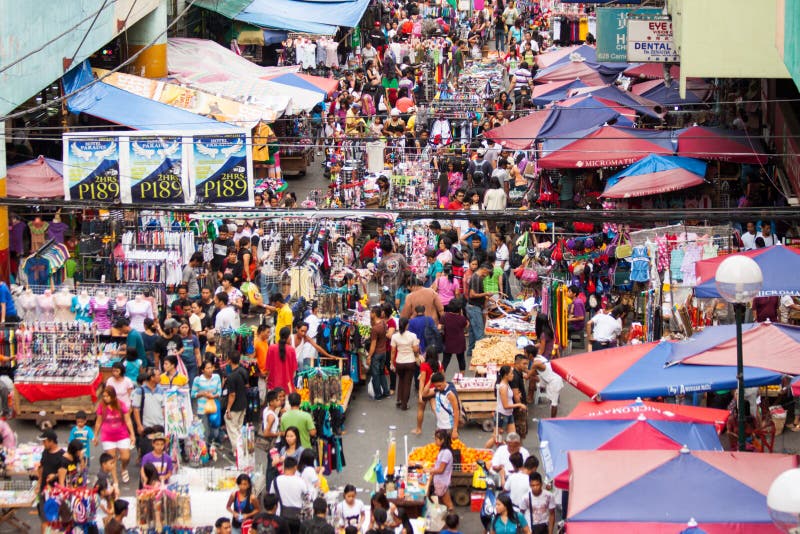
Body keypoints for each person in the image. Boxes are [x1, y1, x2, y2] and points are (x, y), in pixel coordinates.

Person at [93, 387, 135, 486]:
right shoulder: (101, 407)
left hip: (122, 435)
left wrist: (132, 434)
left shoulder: (121, 405)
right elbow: (98, 422)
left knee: (125, 457)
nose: (106, 398)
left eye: (108, 396)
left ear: (113, 396)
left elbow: (128, 421)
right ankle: (115, 479)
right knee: (112, 459)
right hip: (108, 437)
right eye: (104, 396)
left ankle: (124, 468)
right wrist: (95, 436)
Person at [131, 367, 165, 456]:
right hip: (146, 426)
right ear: (152, 378)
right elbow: (136, 409)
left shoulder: (161, 390)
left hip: (159, 426)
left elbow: (163, 408)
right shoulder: (140, 391)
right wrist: (139, 425)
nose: (160, 377)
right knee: (147, 452)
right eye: (158, 375)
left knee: (159, 452)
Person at [271, 456, 307, 534]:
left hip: (280, 516)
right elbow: (307, 498)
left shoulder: (276, 480)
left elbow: (271, 497)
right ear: (295, 467)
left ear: (284, 466)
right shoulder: (301, 481)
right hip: (297, 517)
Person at [391, 317, 420, 411]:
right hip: (410, 361)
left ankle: (399, 399)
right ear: (407, 325)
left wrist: (392, 363)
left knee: (401, 381)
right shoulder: (413, 336)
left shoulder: (395, 336)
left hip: (399, 361)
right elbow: (415, 350)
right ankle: (404, 404)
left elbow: (393, 351)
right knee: (407, 383)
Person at [492, 365, 525, 447]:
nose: (513, 375)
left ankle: (510, 452)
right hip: (502, 415)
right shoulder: (503, 387)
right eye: (511, 373)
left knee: (513, 438)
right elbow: (505, 405)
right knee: (495, 439)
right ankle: (485, 451)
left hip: (509, 414)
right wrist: (519, 404)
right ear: (506, 375)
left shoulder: (507, 385)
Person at [192, 359, 222, 446]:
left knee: (215, 431)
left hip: (214, 407)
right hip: (202, 408)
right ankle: (206, 450)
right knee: (205, 431)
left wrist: (213, 396)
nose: (210, 370)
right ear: (203, 370)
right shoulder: (197, 380)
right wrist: (202, 394)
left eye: (211, 367)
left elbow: (219, 392)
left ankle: (211, 443)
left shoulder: (216, 377)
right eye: (207, 368)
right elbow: (193, 394)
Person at [466, 263, 491, 359]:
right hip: (474, 308)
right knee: (479, 333)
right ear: (484, 269)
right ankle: (482, 356)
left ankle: (470, 352)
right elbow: (472, 294)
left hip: (473, 307)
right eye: (488, 273)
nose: (487, 275)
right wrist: (486, 293)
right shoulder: (476, 278)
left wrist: (486, 296)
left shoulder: (477, 277)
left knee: (472, 331)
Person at [225, 352, 249, 450]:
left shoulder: (231, 377)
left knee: (232, 429)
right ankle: (243, 449)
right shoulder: (244, 371)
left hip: (235, 407)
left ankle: (238, 451)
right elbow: (247, 386)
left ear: (229, 360)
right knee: (239, 428)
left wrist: (228, 409)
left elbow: (232, 394)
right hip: (243, 404)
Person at [367, 306, 390, 400]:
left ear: (374, 314)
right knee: (381, 373)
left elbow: (373, 345)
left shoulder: (375, 329)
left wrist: (369, 356)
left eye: (371, 313)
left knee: (375, 374)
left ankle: (378, 394)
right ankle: (386, 391)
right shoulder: (384, 323)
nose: (370, 314)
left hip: (376, 354)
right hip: (383, 352)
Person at [429, 429, 455, 510]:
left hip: (442, 482)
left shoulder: (446, 453)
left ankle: (451, 518)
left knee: (448, 503)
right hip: (440, 481)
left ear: (443, 440)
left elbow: (441, 470)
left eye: (436, 439)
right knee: (442, 502)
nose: (435, 441)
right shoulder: (443, 451)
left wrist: (430, 471)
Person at [266, 326, 298, 392]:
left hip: (273, 386)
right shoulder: (291, 350)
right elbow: (294, 371)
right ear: (288, 337)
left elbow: (268, 368)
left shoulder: (271, 348)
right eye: (290, 336)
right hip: (287, 387)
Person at [431, 373, 460, 439]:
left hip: (449, 427)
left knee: (451, 447)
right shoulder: (437, 390)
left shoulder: (450, 394)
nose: (438, 388)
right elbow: (424, 394)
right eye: (436, 386)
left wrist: (455, 430)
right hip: (440, 425)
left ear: (444, 381)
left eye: (439, 385)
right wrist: (430, 381)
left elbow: (456, 411)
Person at [510, 354, 530, 440]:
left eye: (527, 364)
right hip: (518, 408)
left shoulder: (519, 373)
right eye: (524, 364)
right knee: (519, 434)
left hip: (521, 405)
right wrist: (520, 406)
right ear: (517, 363)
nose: (526, 366)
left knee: (522, 433)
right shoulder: (515, 376)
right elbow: (515, 394)